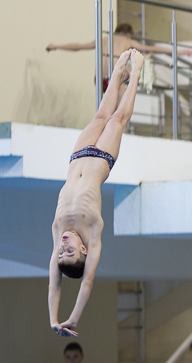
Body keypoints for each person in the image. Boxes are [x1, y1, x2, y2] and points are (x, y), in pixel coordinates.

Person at [49, 49, 144, 337]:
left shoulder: (58, 235)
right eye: (69, 251)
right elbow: (86, 282)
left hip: (77, 156)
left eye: (60, 253)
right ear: (84, 251)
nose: (63, 246)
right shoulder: (92, 233)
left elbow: (54, 284)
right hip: (102, 158)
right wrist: (72, 319)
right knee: (116, 120)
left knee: (102, 113)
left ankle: (117, 72)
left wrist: (53, 319)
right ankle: (136, 71)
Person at [46, 23, 192, 92]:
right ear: (129, 34)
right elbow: (153, 48)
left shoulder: (104, 39)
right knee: (143, 57)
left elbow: (78, 46)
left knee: (104, 107)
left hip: (98, 80)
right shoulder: (127, 40)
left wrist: (56, 46)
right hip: (113, 79)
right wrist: (180, 51)